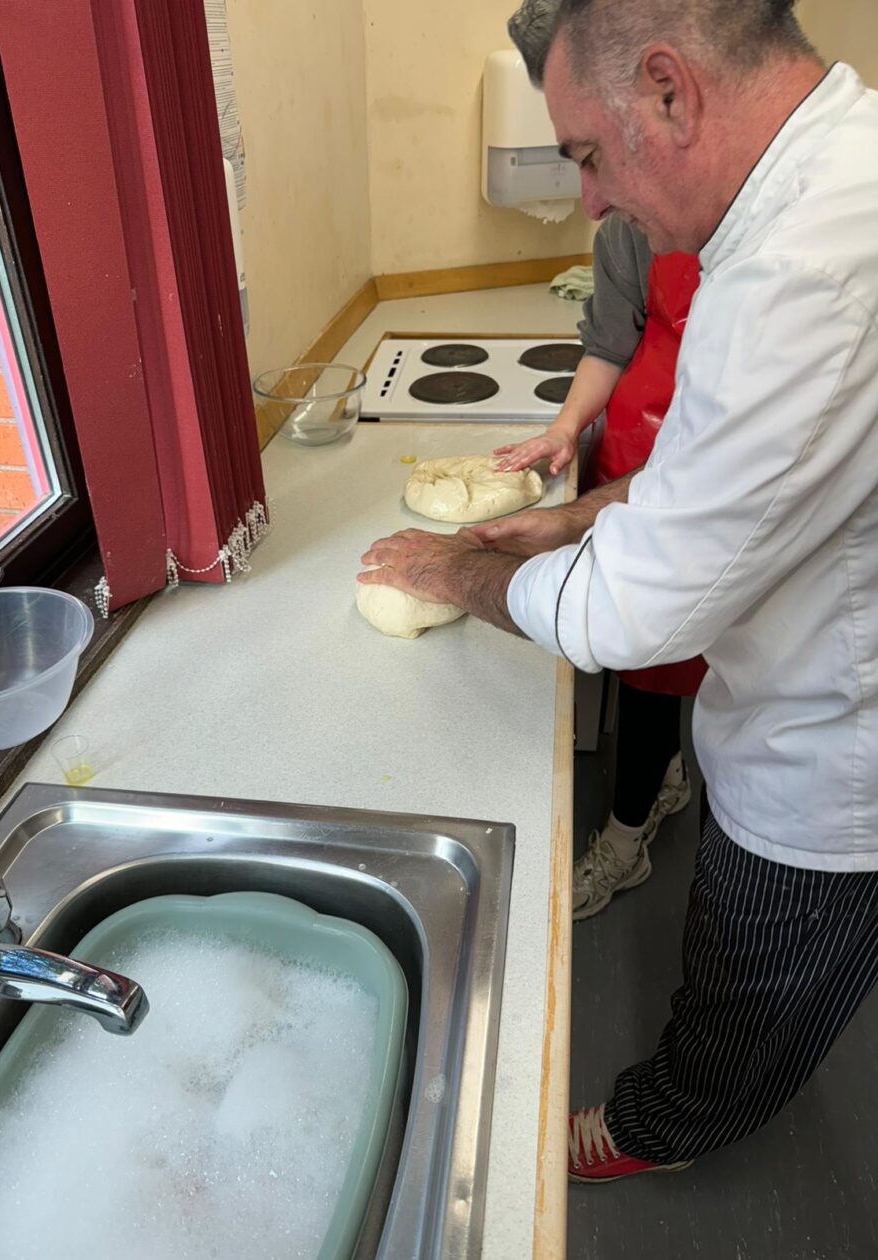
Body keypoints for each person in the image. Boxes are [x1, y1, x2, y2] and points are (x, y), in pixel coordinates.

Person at [358, 0, 878, 1185]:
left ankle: (660, 1128)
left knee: (759, 975)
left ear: (667, 90)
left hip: (836, 775)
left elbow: (629, 618)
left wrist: (454, 565)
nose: (590, 199)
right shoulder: (826, 187)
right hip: (801, 689)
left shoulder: (808, 273)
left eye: (589, 155)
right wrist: (583, 514)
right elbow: (719, 472)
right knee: (735, 947)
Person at [494, 212, 705, 921]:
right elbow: (609, 345)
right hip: (630, 451)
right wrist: (563, 429)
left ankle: (625, 841)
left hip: (705, 458)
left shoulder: (765, 218)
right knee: (633, 653)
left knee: (656, 660)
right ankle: (664, 775)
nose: (591, 198)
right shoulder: (626, 228)